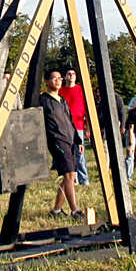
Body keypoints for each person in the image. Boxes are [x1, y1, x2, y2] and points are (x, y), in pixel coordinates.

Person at [40, 70, 86, 221]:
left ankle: (56, 210)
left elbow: (71, 121)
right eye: (54, 78)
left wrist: (78, 141)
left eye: (60, 78)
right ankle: (75, 210)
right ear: (47, 81)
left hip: (69, 139)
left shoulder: (62, 100)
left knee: (70, 176)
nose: (58, 81)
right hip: (56, 140)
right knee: (69, 174)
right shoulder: (43, 100)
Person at [59, 68, 89, 185]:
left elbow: (87, 110)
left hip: (79, 126)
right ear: (65, 77)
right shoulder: (61, 91)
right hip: (65, 127)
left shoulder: (81, 90)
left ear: (76, 77)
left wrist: (87, 128)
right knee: (68, 154)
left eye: (73, 74)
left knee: (80, 153)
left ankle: (84, 179)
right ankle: (73, 179)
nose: (71, 75)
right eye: (68, 74)